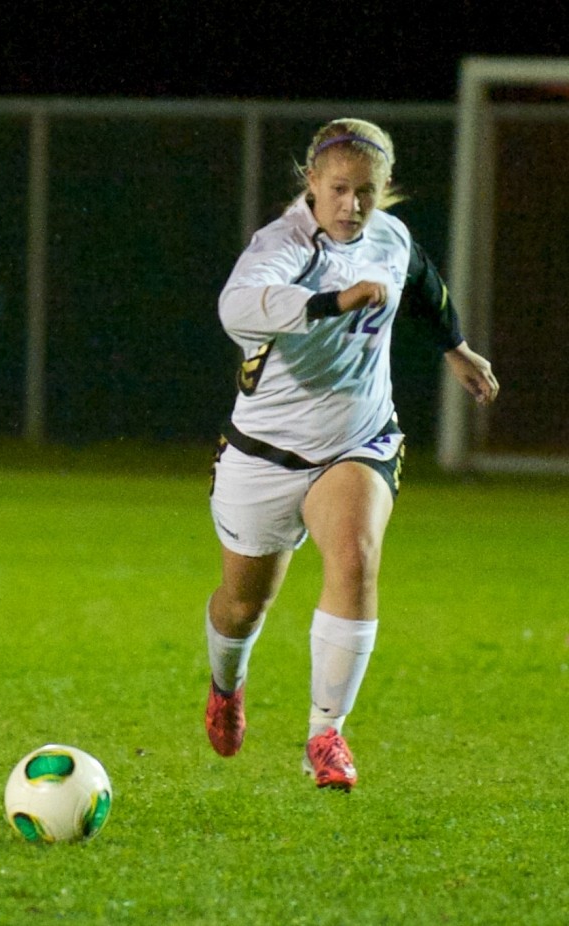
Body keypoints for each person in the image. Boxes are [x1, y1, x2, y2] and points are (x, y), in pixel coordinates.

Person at [203, 117, 499, 791]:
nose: (352, 205)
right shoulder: (280, 246)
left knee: (356, 556)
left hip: (358, 438)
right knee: (243, 605)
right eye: (338, 189)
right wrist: (333, 301)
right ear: (311, 182)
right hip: (264, 451)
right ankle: (226, 683)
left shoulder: (388, 236)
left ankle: (325, 732)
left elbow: (421, 280)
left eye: (366, 191)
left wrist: (455, 347)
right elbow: (236, 308)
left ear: (384, 187)